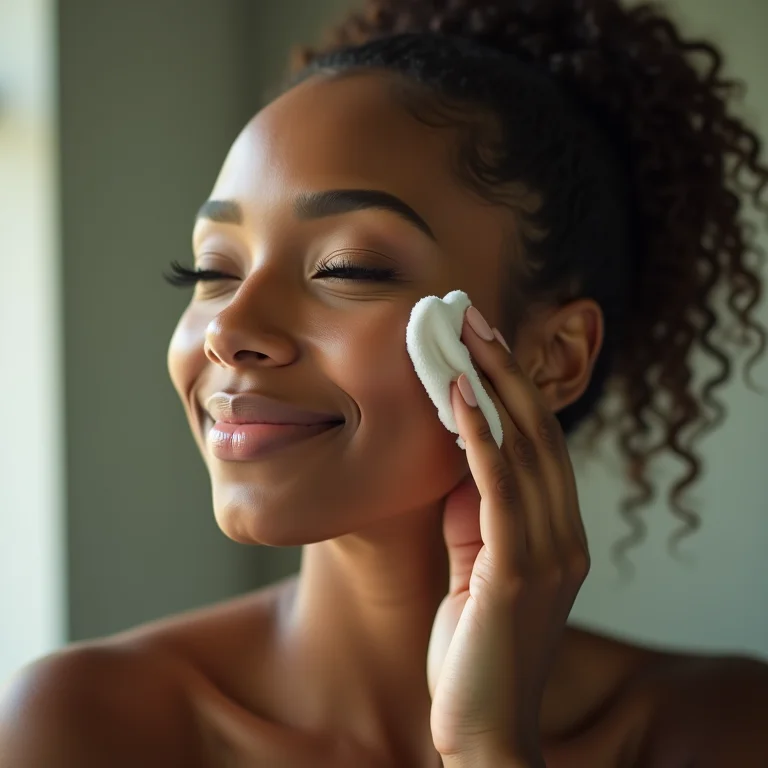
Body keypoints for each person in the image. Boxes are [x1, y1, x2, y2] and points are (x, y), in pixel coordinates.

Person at [2, 0, 768, 765]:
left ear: (556, 356)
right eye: (212, 271)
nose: (228, 331)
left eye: (347, 268)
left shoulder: (721, 728)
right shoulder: (81, 725)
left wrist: (487, 745)